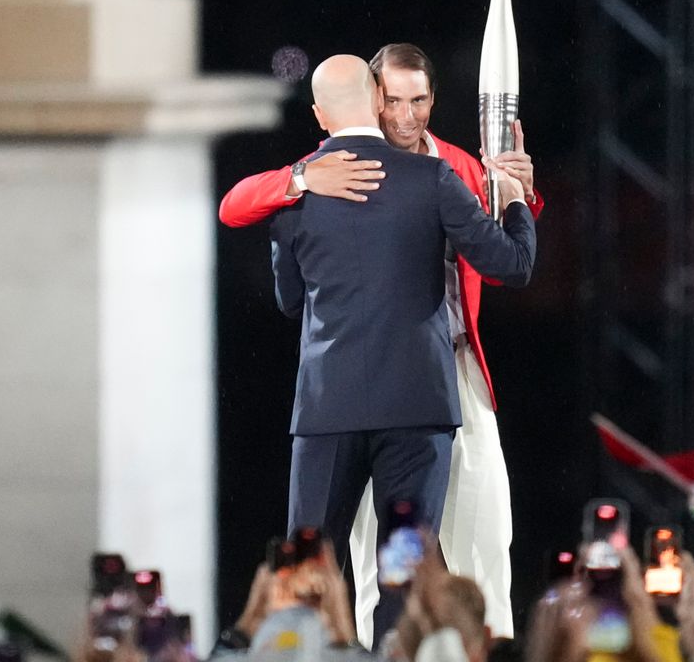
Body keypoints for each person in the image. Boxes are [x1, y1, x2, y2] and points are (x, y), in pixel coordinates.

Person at [219, 43, 543, 643]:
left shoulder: (326, 186)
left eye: (418, 100)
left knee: (321, 565)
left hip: (350, 396)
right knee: (393, 571)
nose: (405, 114)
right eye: (393, 99)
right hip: (420, 398)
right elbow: (513, 261)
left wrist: (518, 189)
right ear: (373, 98)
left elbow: (289, 298)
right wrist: (296, 177)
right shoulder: (391, 179)